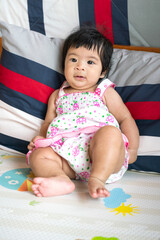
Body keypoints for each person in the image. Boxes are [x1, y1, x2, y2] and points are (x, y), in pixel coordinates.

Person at [27, 26, 139, 199]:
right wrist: (41, 139)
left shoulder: (104, 91)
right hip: (67, 154)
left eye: (90, 62)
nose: (80, 67)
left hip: (102, 153)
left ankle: (98, 178)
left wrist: (132, 149)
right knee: (38, 156)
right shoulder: (58, 95)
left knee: (110, 133)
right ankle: (60, 179)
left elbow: (125, 118)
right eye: (73, 60)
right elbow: (48, 122)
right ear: (64, 63)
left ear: (103, 71)